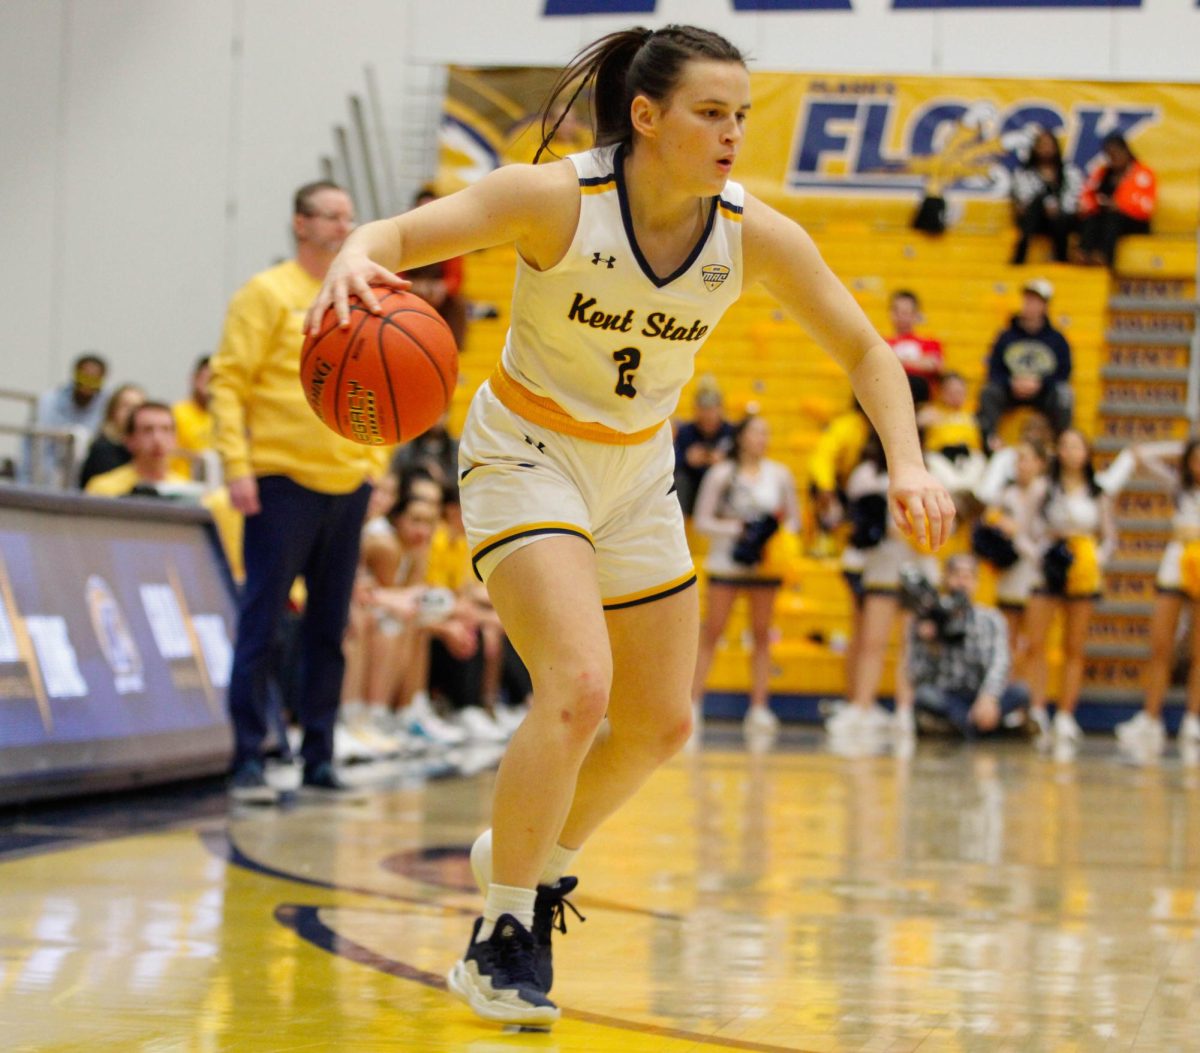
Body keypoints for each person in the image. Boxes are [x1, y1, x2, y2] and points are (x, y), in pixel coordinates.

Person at [306, 24, 953, 1026]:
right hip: (527, 455)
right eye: (711, 112)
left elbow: (869, 351)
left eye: (741, 114)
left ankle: (533, 856)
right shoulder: (554, 200)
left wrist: (909, 460)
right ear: (646, 117)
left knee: (661, 723)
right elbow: (393, 238)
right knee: (578, 683)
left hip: (637, 470)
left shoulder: (752, 233)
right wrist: (353, 257)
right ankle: (502, 934)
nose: (733, 133)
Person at [211, 180, 388, 805]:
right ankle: (249, 758)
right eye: (331, 215)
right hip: (279, 480)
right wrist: (236, 463)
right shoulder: (266, 294)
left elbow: (379, 378)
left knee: (328, 628)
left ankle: (319, 755)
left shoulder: (362, 292)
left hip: (346, 482)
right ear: (300, 223)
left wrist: (375, 461)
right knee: (262, 622)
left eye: (349, 215)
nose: (344, 225)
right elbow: (228, 382)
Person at [690, 415, 800, 742]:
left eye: (766, 433)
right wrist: (738, 530)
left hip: (765, 565)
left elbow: (793, 520)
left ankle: (760, 707)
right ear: (740, 437)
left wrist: (770, 537)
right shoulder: (721, 473)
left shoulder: (780, 474)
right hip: (727, 562)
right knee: (713, 631)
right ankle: (693, 703)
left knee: (763, 634)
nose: (761, 439)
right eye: (755, 432)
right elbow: (701, 521)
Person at [1023, 429, 1116, 757]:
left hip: (1082, 572)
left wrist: (1092, 560)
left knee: (1074, 647)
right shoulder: (1042, 487)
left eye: (1078, 446)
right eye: (1065, 446)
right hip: (1048, 569)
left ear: (1087, 452)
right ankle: (1036, 709)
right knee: (1036, 643)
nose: (1071, 452)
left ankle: (1065, 714)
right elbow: (1024, 532)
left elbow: (1109, 537)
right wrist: (1041, 558)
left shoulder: (1097, 491)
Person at [1112, 441, 1200, 761]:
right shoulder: (1178, 487)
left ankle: (1193, 720)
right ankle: (1151, 718)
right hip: (1177, 562)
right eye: (1196, 458)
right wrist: (1183, 446)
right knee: (1160, 646)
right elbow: (1141, 455)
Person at [907, 555, 1030, 738]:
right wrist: (928, 644)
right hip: (948, 697)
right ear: (945, 579)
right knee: (924, 697)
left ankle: (964, 727)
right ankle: (987, 728)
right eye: (956, 575)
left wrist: (988, 698)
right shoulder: (928, 619)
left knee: (1021, 692)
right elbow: (916, 676)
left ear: (976, 582)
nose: (961, 583)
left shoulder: (991, 619)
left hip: (982, 694)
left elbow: (1001, 663)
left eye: (968, 577)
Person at [976, 278, 1072, 451]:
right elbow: (993, 369)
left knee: (1065, 394)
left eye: (1036, 301)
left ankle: (1062, 445)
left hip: (1043, 391)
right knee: (988, 393)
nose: (1030, 305)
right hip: (1011, 389)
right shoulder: (1006, 336)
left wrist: (1040, 383)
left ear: (1045, 305)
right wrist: (1011, 382)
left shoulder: (1057, 339)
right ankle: (989, 443)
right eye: (1028, 299)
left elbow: (1064, 372)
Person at [25, 352, 111, 487]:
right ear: (74, 375)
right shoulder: (50, 402)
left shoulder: (107, 406)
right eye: (83, 378)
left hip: (85, 483)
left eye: (94, 381)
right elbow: (35, 449)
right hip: (47, 478)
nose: (87, 386)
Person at [1077, 132, 1156, 268]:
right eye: (1109, 155)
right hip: (1106, 217)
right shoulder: (1103, 173)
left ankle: (1104, 256)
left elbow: (1146, 208)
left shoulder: (1143, 173)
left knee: (1113, 217)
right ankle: (1084, 253)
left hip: (1133, 221)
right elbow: (1087, 195)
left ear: (1126, 151)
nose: (1113, 158)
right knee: (1092, 218)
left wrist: (1121, 206)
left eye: (1116, 153)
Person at [403, 186, 468, 349]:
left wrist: (440, 288)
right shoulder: (403, 240)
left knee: (458, 304)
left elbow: (455, 279)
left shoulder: (450, 241)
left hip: (438, 297)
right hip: (407, 296)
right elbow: (393, 276)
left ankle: (452, 352)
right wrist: (416, 287)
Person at [84, 401, 194, 498]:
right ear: (129, 440)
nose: (158, 439)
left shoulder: (188, 492)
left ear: (175, 438)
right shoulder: (102, 490)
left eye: (166, 430)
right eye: (148, 430)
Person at [1010, 126, 1082, 265]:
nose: (1046, 149)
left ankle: (1061, 257)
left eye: (1049, 145)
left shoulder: (1069, 172)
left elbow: (1075, 198)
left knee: (1060, 217)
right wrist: (1046, 204)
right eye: (1042, 145)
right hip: (1036, 220)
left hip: (1063, 220)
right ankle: (1021, 251)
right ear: (1035, 148)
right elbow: (1023, 199)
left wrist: (1058, 208)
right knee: (1038, 201)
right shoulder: (1025, 173)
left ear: (1056, 148)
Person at [672, 383, 735, 518]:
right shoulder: (685, 432)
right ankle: (677, 520)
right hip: (692, 487)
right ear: (695, 410)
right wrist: (686, 458)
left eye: (712, 410)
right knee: (679, 480)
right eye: (703, 410)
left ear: (720, 409)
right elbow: (668, 463)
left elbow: (742, 463)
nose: (708, 415)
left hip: (721, 491)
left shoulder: (731, 432)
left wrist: (725, 462)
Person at [78, 383, 145, 489]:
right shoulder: (102, 449)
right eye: (126, 406)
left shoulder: (147, 450)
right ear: (112, 411)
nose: (132, 412)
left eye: (137, 407)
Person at [884, 290, 943, 405]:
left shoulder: (929, 342)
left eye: (906, 312)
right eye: (897, 311)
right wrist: (916, 363)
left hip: (918, 398)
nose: (901, 317)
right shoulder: (882, 342)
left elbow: (933, 365)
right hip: (887, 393)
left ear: (916, 315)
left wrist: (895, 361)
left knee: (914, 382)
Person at [172, 354, 214, 480]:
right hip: (181, 483)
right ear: (194, 379)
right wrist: (198, 457)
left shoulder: (223, 418)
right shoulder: (176, 413)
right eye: (206, 380)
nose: (210, 387)